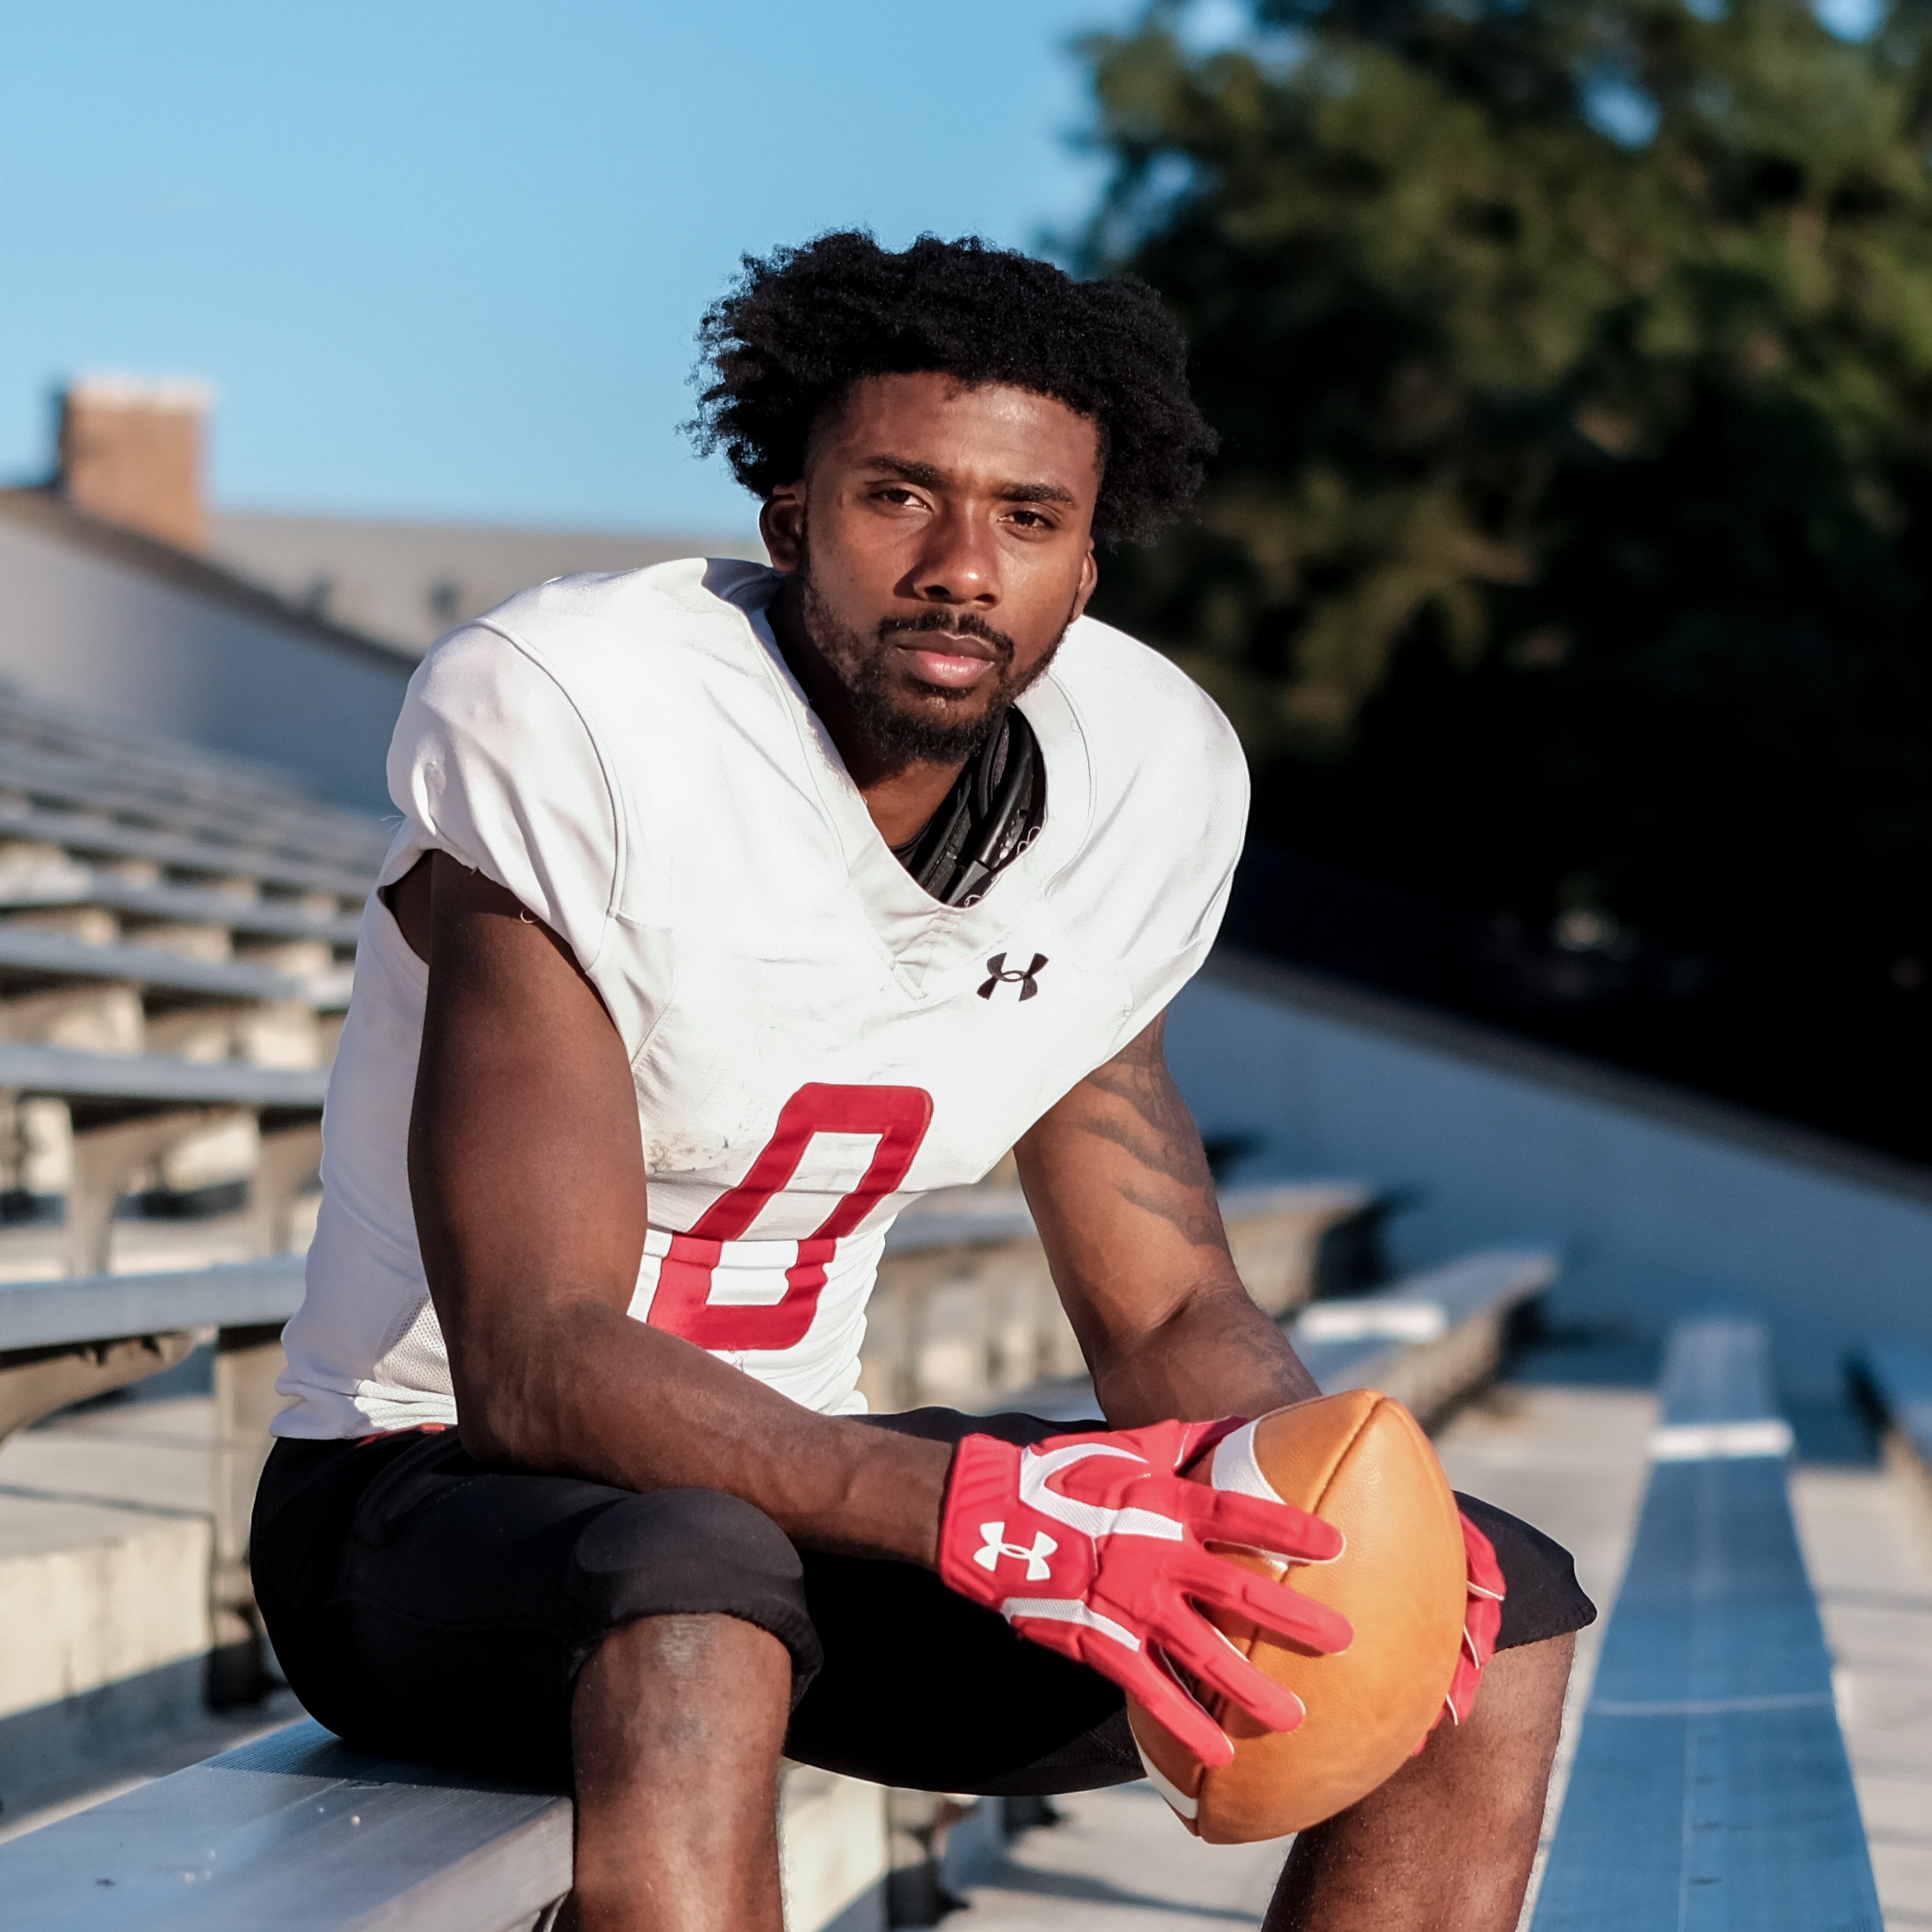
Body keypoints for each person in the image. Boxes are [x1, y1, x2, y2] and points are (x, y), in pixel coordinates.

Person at [255, 232, 1594, 1932]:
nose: (965, 566)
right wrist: (989, 1513)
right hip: (426, 1498)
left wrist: (1348, 1510)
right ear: (790, 514)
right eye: (903, 498)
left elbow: (1170, 1304)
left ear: (1089, 566)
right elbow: (539, 1360)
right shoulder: (591, 714)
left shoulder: (1134, 782)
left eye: (1028, 520)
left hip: (804, 1497)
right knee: (695, 1574)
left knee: (1488, 1604)